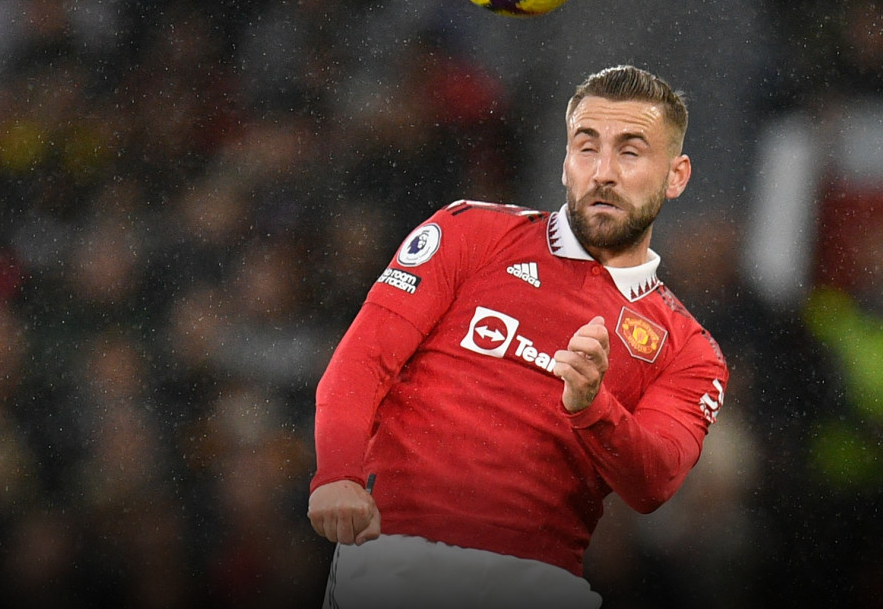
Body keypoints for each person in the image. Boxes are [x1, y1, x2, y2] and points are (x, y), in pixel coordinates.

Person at [307, 65, 729, 608]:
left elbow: (654, 482)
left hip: (540, 582)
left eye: (630, 152)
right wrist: (337, 474)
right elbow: (363, 360)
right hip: (400, 556)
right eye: (587, 148)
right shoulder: (470, 232)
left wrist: (593, 406)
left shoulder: (689, 349)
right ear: (565, 162)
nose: (603, 172)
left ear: (676, 176)